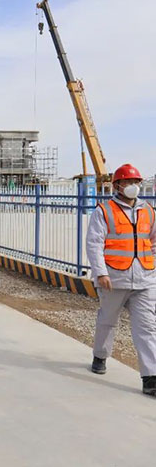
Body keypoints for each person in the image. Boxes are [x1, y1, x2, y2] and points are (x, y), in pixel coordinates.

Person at [85, 163, 156, 396]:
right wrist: (101, 273)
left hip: (144, 279)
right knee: (107, 321)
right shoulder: (104, 211)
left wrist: (152, 266)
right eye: (128, 182)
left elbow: (153, 241)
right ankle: (100, 356)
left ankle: (151, 377)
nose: (133, 186)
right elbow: (94, 244)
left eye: (136, 182)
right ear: (117, 186)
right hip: (114, 278)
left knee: (147, 327)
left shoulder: (149, 211)